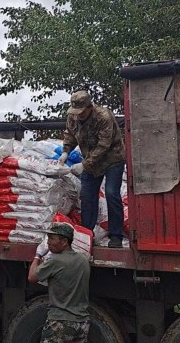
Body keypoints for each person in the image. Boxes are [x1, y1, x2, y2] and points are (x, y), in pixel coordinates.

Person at [59, 90, 126, 248]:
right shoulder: (73, 116)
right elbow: (70, 134)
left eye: (82, 112)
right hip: (90, 160)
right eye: (76, 112)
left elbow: (104, 145)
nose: (78, 115)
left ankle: (115, 235)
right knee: (87, 196)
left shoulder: (104, 116)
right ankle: (86, 233)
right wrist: (65, 152)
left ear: (90, 107)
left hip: (112, 159)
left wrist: (84, 165)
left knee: (111, 193)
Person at [28, 222, 91, 343]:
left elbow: (32, 277)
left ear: (64, 242)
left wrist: (38, 255)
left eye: (52, 239)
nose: (48, 242)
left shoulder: (55, 261)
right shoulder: (83, 260)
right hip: (82, 322)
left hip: (60, 322)